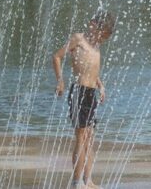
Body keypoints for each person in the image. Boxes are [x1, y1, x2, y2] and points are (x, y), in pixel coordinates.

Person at [52, 11, 115, 189]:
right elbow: (56, 57)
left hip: (91, 93)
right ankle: (76, 182)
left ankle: (89, 181)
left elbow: (93, 71)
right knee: (81, 137)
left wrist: (101, 86)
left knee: (89, 138)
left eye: (105, 37)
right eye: (101, 34)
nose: (102, 39)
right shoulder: (78, 39)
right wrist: (60, 81)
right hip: (79, 91)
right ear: (93, 25)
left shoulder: (96, 46)